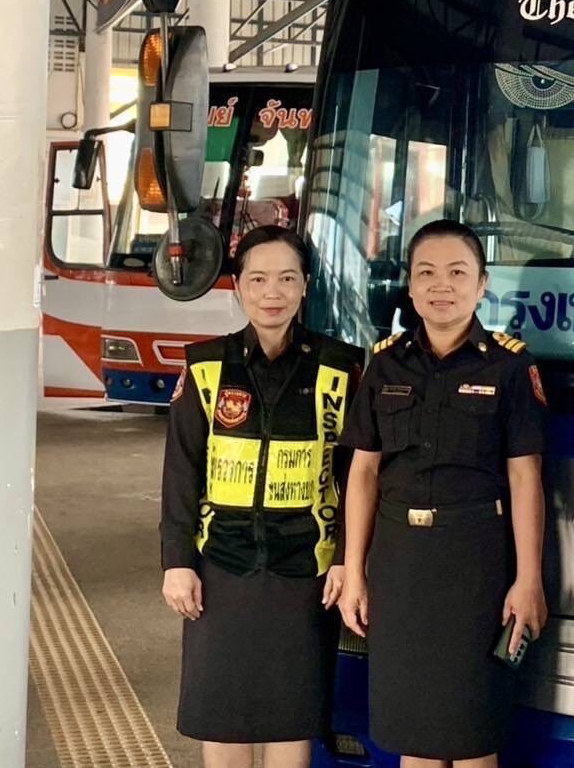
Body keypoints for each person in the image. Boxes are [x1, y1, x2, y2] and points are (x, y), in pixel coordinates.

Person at [336, 219, 547, 768]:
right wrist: (354, 570)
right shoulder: (385, 362)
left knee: (474, 733)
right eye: (426, 273)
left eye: (457, 272)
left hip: (477, 566)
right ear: (409, 285)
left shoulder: (510, 365)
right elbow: (363, 473)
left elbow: (525, 478)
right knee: (415, 732)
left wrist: (528, 579)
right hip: (400, 564)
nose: (441, 286)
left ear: (482, 285)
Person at [159, 225, 365, 768]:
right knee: (223, 715)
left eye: (287, 279)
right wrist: (177, 563)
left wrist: (347, 559)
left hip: (306, 570)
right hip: (220, 566)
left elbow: (357, 478)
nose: (272, 292)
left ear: (305, 286)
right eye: (258, 279)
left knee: (290, 715)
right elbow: (181, 473)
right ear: (238, 287)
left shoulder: (342, 368)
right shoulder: (206, 366)